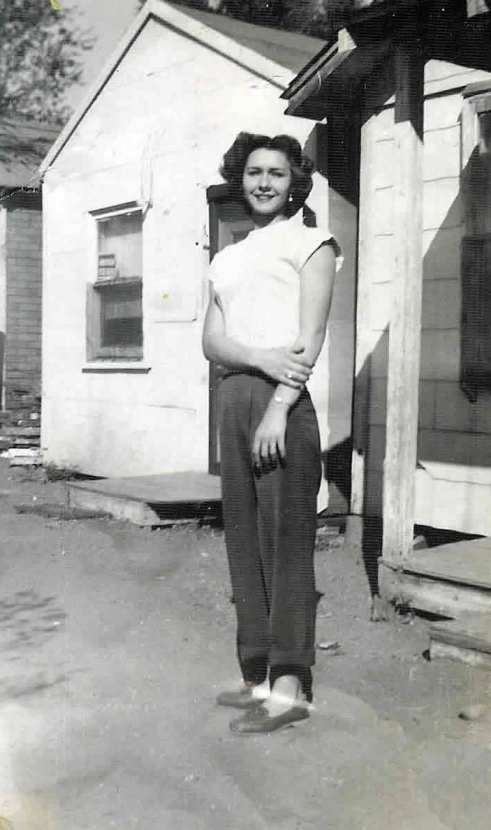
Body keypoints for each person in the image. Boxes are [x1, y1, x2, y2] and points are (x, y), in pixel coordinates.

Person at [202, 132, 341, 734]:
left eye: (277, 174)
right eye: (255, 172)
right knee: (243, 539)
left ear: (295, 182)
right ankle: (255, 673)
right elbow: (211, 340)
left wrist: (280, 406)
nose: (264, 182)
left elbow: (309, 336)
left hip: (282, 403)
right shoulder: (227, 256)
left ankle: (289, 684)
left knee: (285, 543)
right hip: (234, 394)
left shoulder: (311, 242)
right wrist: (258, 358)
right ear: (242, 179)